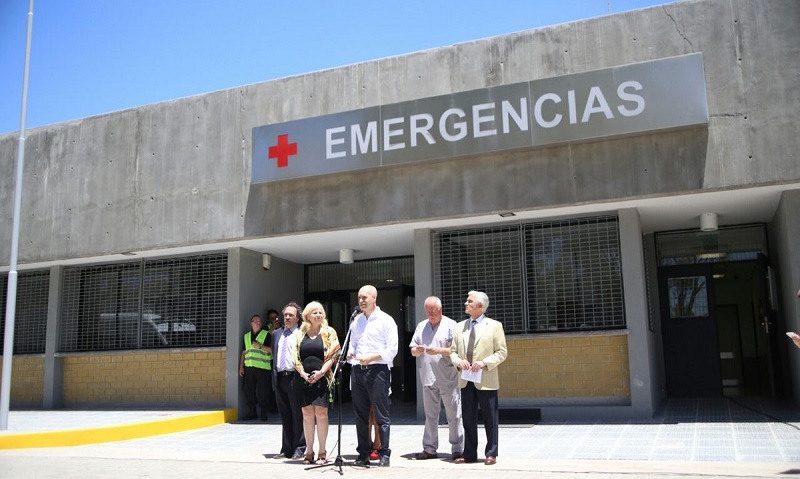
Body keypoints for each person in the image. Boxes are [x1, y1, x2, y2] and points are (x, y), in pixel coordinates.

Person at [449, 290, 507, 466]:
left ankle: (491, 453)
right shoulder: (460, 327)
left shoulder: (494, 326)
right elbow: (452, 351)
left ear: (480, 306)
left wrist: (484, 363)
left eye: (470, 301)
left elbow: (502, 352)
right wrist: (459, 362)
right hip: (466, 378)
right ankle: (469, 454)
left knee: (490, 418)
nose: (466, 303)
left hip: (486, 379)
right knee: (468, 418)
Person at [346, 285, 398, 467]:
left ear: (374, 298)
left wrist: (372, 357)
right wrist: (350, 353)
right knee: (361, 415)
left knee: (381, 415)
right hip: (357, 370)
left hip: (378, 370)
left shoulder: (386, 320)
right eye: (359, 297)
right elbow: (352, 344)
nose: (361, 300)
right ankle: (363, 453)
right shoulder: (356, 321)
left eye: (365, 297)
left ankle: (384, 453)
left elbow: (392, 350)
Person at [410, 296, 464, 460]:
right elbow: (412, 348)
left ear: (440, 309)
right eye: (428, 311)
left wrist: (439, 351)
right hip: (428, 377)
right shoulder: (421, 326)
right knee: (430, 415)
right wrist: (416, 350)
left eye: (434, 311)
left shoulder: (451, 326)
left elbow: (457, 350)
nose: (431, 314)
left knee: (453, 415)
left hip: (447, 377)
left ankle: (458, 449)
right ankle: (429, 448)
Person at [294, 301, 341, 465]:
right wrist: (302, 373)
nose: (318, 315)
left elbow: (334, 353)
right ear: (307, 315)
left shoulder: (329, 332)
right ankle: (309, 451)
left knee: (321, 414)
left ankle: (322, 452)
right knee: (307, 415)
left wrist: (321, 373)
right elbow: (295, 356)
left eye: (320, 312)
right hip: (304, 379)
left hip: (322, 379)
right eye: (315, 312)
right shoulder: (301, 332)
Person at [271, 302, 306, 460]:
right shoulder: (276, 334)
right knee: (285, 415)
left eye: (291, 315)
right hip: (280, 378)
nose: (287, 317)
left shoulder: (301, 333)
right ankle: (286, 448)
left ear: (298, 317)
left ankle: (299, 447)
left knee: (297, 414)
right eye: (285, 315)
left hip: (294, 378)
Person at [239, 314, 273, 421]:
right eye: (256, 320)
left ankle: (264, 413)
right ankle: (251, 413)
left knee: (263, 392)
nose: (258, 322)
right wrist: (241, 366)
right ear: (251, 323)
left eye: (259, 321)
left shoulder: (266, 334)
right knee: (249, 391)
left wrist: (261, 346)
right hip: (249, 368)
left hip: (263, 368)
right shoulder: (246, 336)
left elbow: (272, 350)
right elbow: (244, 352)